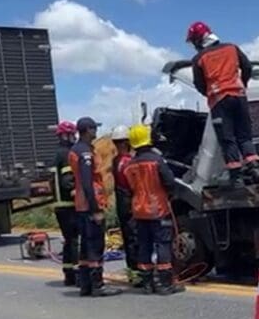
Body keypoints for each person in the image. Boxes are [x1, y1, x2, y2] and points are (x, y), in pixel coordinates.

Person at [187, 21, 258, 189]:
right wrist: (242, 84)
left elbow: (199, 84)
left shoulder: (199, 59)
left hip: (220, 101)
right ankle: (253, 167)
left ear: (198, 40)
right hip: (239, 97)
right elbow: (247, 67)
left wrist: (210, 93)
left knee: (228, 139)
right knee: (244, 135)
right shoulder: (232, 48)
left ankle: (236, 177)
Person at [123, 123, 185, 296]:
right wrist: (170, 194)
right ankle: (165, 284)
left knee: (144, 245)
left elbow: (129, 189)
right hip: (158, 209)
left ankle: (147, 284)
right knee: (163, 244)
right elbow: (170, 182)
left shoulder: (129, 165)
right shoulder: (157, 160)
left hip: (139, 211)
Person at [69, 116, 122, 298]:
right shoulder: (85, 153)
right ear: (87, 130)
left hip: (81, 206)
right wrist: (95, 210)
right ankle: (97, 285)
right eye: (94, 128)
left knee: (85, 247)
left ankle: (86, 286)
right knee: (95, 246)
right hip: (90, 206)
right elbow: (87, 182)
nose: (96, 132)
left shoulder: (78, 149)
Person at [111, 124, 141, 285]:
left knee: (128, 239)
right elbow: (133, 185)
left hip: (122, 206)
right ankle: (139, 274)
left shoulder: (115, 161)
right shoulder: (129, 162)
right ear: (126, 142)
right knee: (135, 239)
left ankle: (133, 272)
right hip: (131, 205)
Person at [53, 120, 79, 286]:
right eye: (72, 135)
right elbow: (67, 181)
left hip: (60, 205)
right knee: (74, 240)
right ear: (65, 135)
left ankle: (69, 274)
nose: (74, 137)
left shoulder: (57, 153)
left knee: (69, 240)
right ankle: (76, 274)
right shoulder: (67, 154)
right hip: (68, 205)